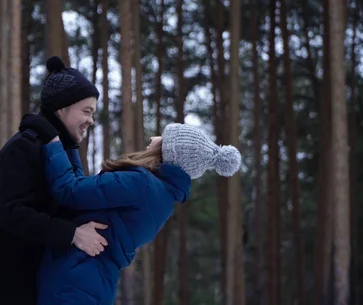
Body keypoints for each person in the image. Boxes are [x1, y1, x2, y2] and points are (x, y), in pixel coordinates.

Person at [30, 122, 242, 305]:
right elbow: (82, 196)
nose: (153, 137)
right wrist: (70, 146)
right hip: (93, 282)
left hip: (73, 280)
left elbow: (70, 191)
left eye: (163, 137)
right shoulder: (163, 198)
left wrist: (53, 142)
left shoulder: (141, 184)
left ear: (168, 151)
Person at [0, 56, 109, 305]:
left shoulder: (61, 152)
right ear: (61, 108)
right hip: (5, 285)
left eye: (93, 113)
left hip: (36, 281)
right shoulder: (23, 147)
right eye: (86, 111)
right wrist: (72, 234)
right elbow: (11, 212)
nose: (91, 121)